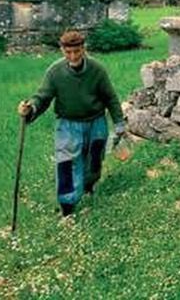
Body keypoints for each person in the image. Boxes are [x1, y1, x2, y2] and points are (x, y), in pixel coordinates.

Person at [17, 30, 125, 217]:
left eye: (77, 51)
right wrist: (30, 109)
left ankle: (88, 186)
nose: (73, 56)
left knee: (93, 160)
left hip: (96, 122)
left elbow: (110, 97)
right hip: (68, 124)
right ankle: (67, 208)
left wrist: (119, 122)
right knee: (66, 163)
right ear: (62, 51)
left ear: (83, 49)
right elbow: (42, 97)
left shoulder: (97, 69)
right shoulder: (55, 72)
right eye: (68, 52)